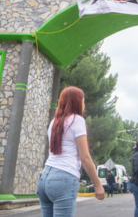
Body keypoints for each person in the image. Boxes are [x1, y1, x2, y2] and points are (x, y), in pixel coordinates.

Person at [37, 86, 105, 217]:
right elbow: (85, 157)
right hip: (64, 177)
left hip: (45, 177)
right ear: (77, 102)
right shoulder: (77, 120)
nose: (84, 103)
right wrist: (97, 184)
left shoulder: (54, 122)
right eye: (83, 100)